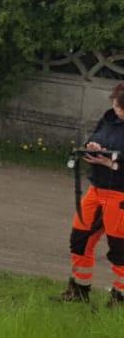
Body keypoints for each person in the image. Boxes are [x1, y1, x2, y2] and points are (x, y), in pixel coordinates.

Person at [58, 83, 124, 307]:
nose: (117, 110)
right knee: (79, 239)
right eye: (116, 105)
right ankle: (78, 290)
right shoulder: (108, 118)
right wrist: (92, 146)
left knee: (120, 250)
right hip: (97, 191)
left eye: (121, 108)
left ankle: (119, 299)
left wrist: (111, 163)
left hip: (120, 196)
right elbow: (97, 138)